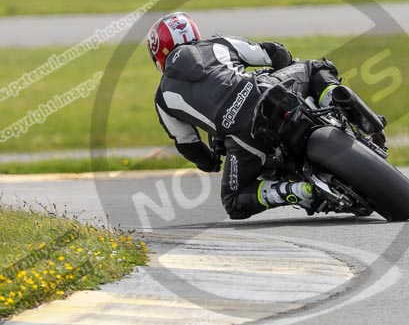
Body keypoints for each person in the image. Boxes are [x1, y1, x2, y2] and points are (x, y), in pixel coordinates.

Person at [148, 11, 383, 220]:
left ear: (158, 54)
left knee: (234, 201)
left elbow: (188, 144)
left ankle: (296, 191)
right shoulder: (218, 44)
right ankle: (364, 120)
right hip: (268, 93)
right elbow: (273, 53)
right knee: (315, 68)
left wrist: (211, 162)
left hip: (244, 139)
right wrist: (286, 64)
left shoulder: (162, 98)